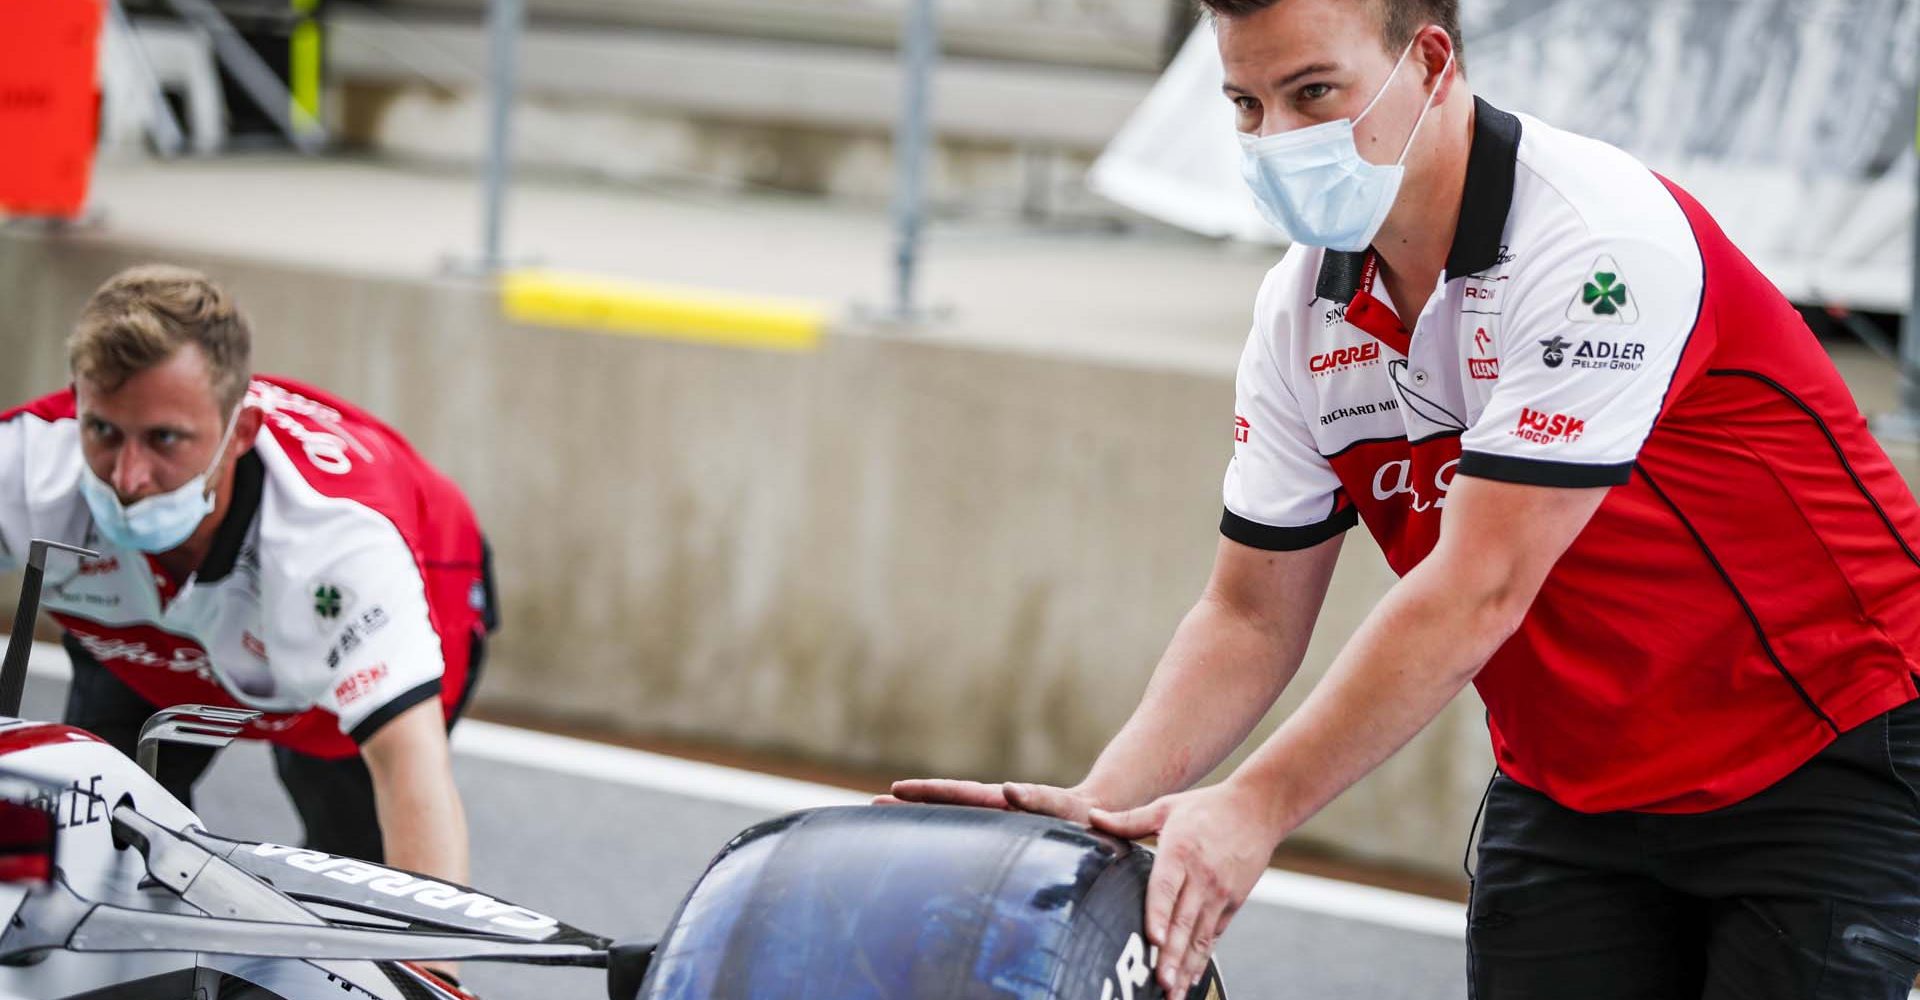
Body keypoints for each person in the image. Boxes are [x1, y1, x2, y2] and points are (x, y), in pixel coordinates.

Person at [890, 1, 1920, 997]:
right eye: (1246, 105)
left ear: (1429, 64)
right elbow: (1250, 614)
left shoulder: (1598, 244)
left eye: (1313, 92)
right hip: (1578, 777)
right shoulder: (1300, 310)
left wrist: (1254, 804)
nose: (1277, 138)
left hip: (1829, 742)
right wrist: (1097, 811)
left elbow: (1478, 589)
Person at [0, 265, 496, 901]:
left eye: (164, 440)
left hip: (340, 663)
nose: (127, 478)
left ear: (241, 434)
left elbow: (409, 770)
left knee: (358, 904)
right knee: (87, 861)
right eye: (102, 431)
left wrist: (432, 977)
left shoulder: (337, 541)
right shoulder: (29, 462)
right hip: (139, 650)